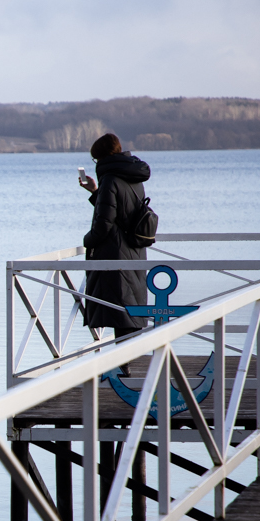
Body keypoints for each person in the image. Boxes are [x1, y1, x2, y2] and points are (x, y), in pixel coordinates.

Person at [79, 133, 151, 369]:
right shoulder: (133, 176)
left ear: (101, 157)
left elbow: (104, 224)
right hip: (134, 250)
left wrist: (87, 240)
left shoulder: (111, 178)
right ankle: (126, 364)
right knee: (128, 308)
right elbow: (122, 209)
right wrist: (95, 191)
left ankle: (124, 368)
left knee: (120, 309)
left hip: (115, 253)